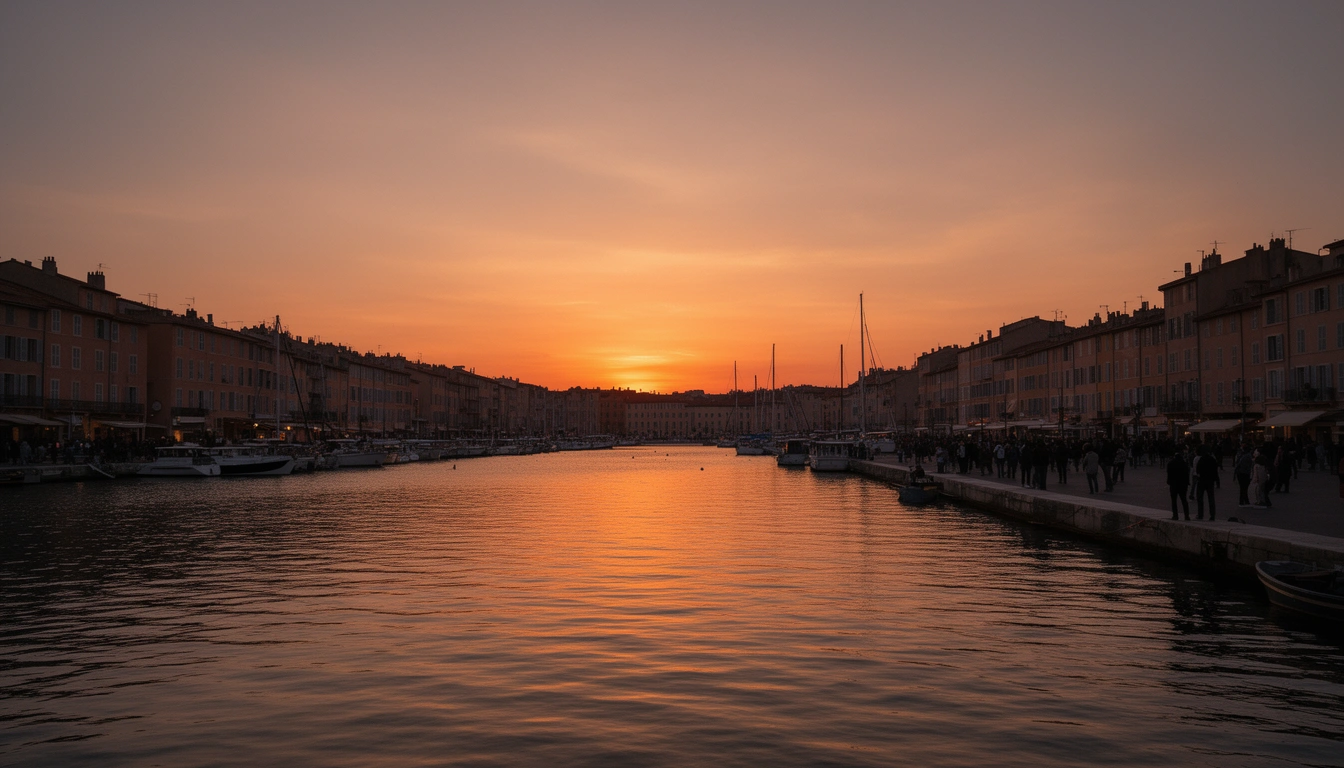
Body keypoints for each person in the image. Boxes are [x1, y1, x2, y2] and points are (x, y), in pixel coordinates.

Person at [1194, 446, 1220, 521]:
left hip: (1202, 480)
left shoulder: (1201, 459)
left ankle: (1200, 514)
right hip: (1210, 481)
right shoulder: (1212, 460)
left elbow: (1198, 470)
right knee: (1211, 498)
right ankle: (1212, 515)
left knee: (1200, 498)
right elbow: (1215, 470)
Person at [1166, 451, 1190, 520]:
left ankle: (1175, 515)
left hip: (1173, 484)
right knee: (1184, 500)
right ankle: (1187, 516)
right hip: (1183, 484)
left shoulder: (1170, 463)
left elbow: (1169, 474)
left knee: (1174, 501)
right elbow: (1187, 474)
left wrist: (1169, 482)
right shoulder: (1184, 464)